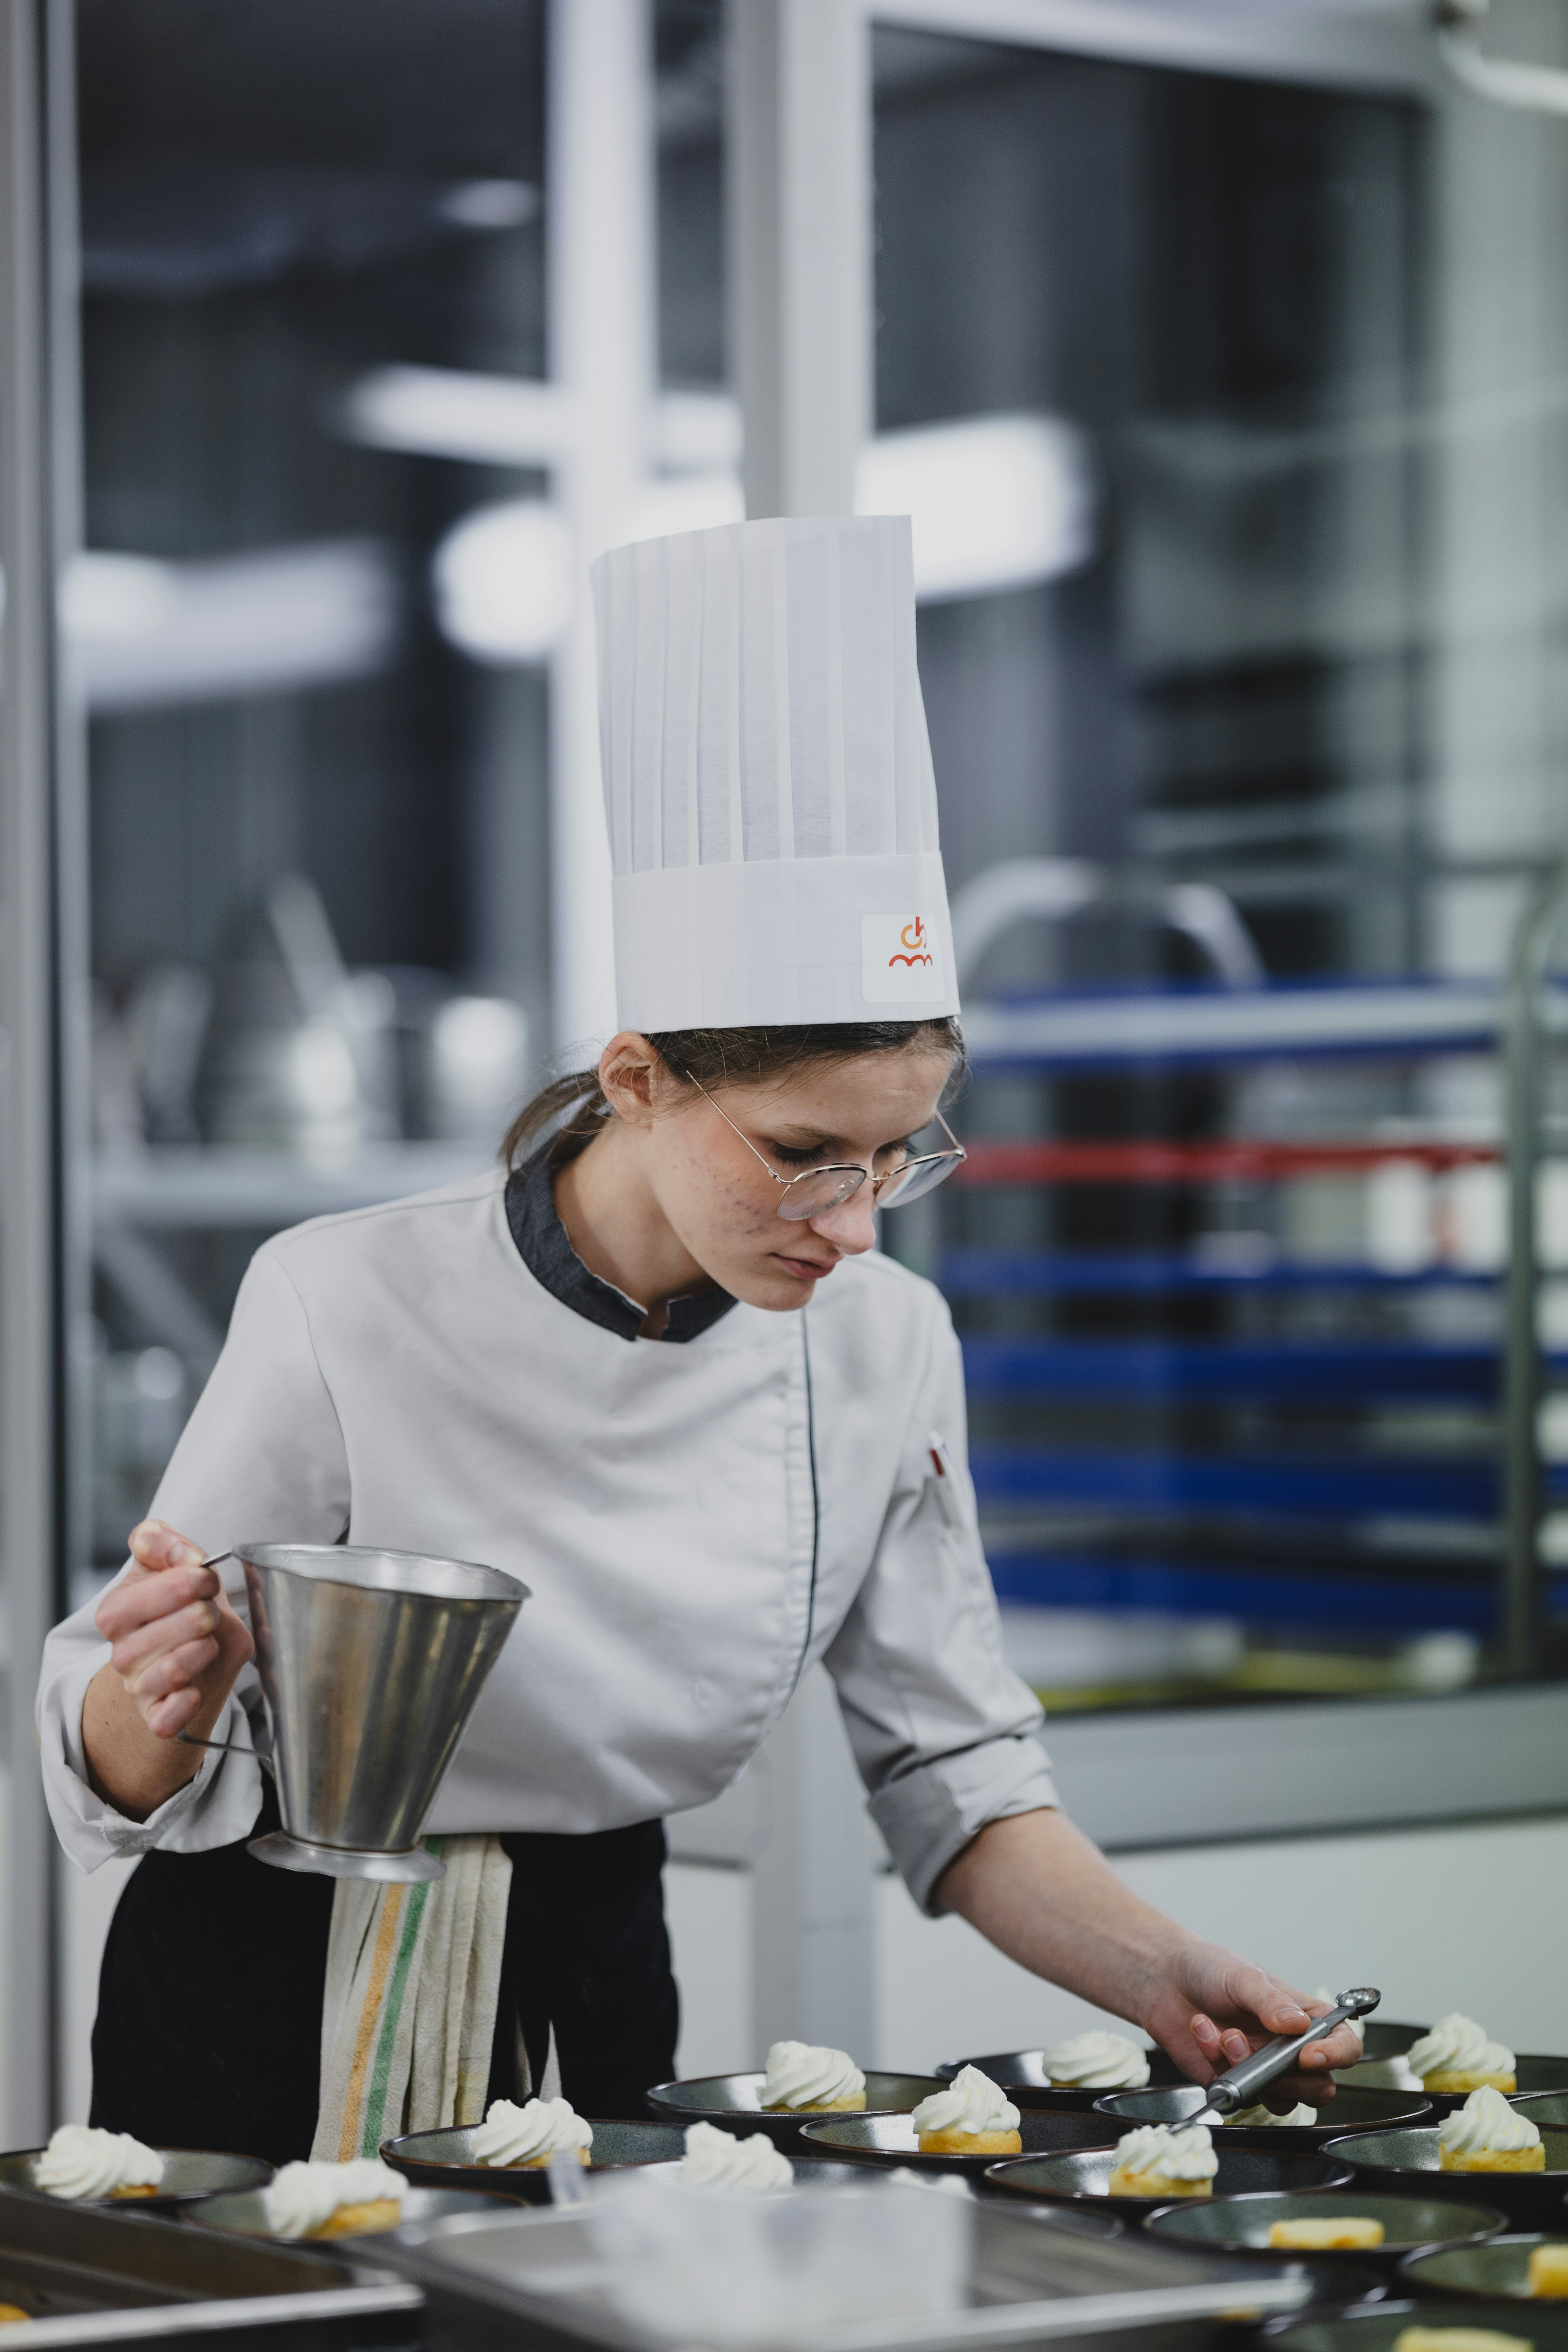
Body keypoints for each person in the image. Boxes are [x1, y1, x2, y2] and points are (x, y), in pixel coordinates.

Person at [38, 516, 1358, 2163]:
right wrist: (154, 1707)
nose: (858, 1221)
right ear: (642, 1078)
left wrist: (1166, 1975)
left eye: (903, 1156)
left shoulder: (886, 1344)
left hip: (596, 1984)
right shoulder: (340, 1295)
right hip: (268, 1984)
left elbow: (954, 1771)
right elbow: (114, 1729)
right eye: (806, 1154)